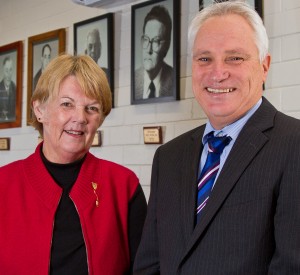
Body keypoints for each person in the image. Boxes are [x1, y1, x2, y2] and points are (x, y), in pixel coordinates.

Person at [134, 1, 300, 274]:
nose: (217, 73)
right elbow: (149, 263)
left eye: (235, 57)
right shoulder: (168, 157)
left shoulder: (293, 145)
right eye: (204, 58)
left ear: (264, 66)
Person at [0, 54, 147, 274]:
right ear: (39, 110)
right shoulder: (4, 184)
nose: (80, 117)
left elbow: (146, 268)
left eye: (92, 108)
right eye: (67, 104)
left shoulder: (124, 185)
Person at [134, 5, 173, 100]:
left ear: (166, 46)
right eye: (146, 40)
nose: (149, 50)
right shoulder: (133, 80)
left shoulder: (173, 79)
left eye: (156, 41)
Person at [0, 56, 16, 121]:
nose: (8, 74)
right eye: (6, 70)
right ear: (3, 70)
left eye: (10, 70)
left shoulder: (15, 89)